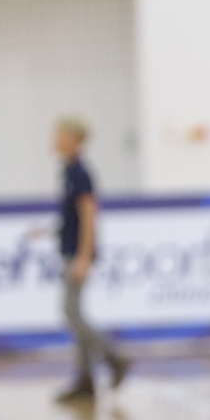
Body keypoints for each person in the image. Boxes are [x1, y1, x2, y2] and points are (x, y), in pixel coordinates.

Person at [52, 116, 129, 403]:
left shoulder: (80, 173)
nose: (54, 140)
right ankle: (86, 380)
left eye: (59, 135)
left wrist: (84, 255)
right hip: (72, 250)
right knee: (75, 314)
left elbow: (88, 214)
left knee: (72, 313)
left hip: (78, 254)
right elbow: (73, 217)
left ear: (73, 139)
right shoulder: (69, 171)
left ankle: (114, 357)